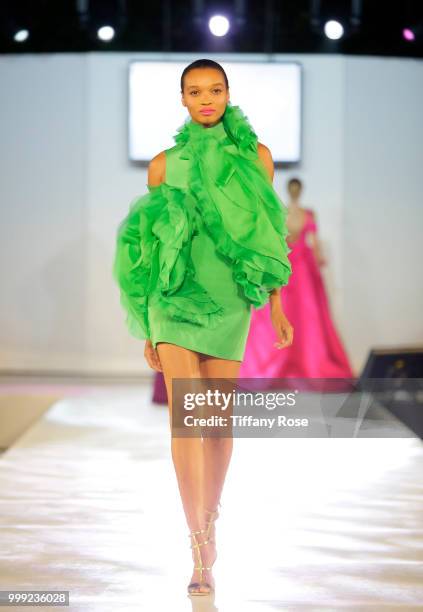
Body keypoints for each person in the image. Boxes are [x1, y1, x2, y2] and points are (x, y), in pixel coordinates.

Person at [113, 59, 293, 596]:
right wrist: (148, 320)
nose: (206, 99)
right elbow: (148, 247)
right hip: (174, 298)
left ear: (228, 93)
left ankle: (210, 518)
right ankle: (196, 544)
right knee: (185, 421)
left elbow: (267, 233)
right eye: (195, 92)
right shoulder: (164, 165)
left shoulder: (256, 158)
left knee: (216, 422)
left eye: (215, 90)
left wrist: (277, 305)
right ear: (182, 100)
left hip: (230, 298)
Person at [240, 177, 354, 385]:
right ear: (298, 191)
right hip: (298, 267)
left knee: (299, 314)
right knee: (304, 315)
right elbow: (313, 243)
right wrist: (319, 259)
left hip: (291, 266)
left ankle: (290, 361)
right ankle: (298, 361)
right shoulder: (304, 214)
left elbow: (282, 241)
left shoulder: (283, 212)